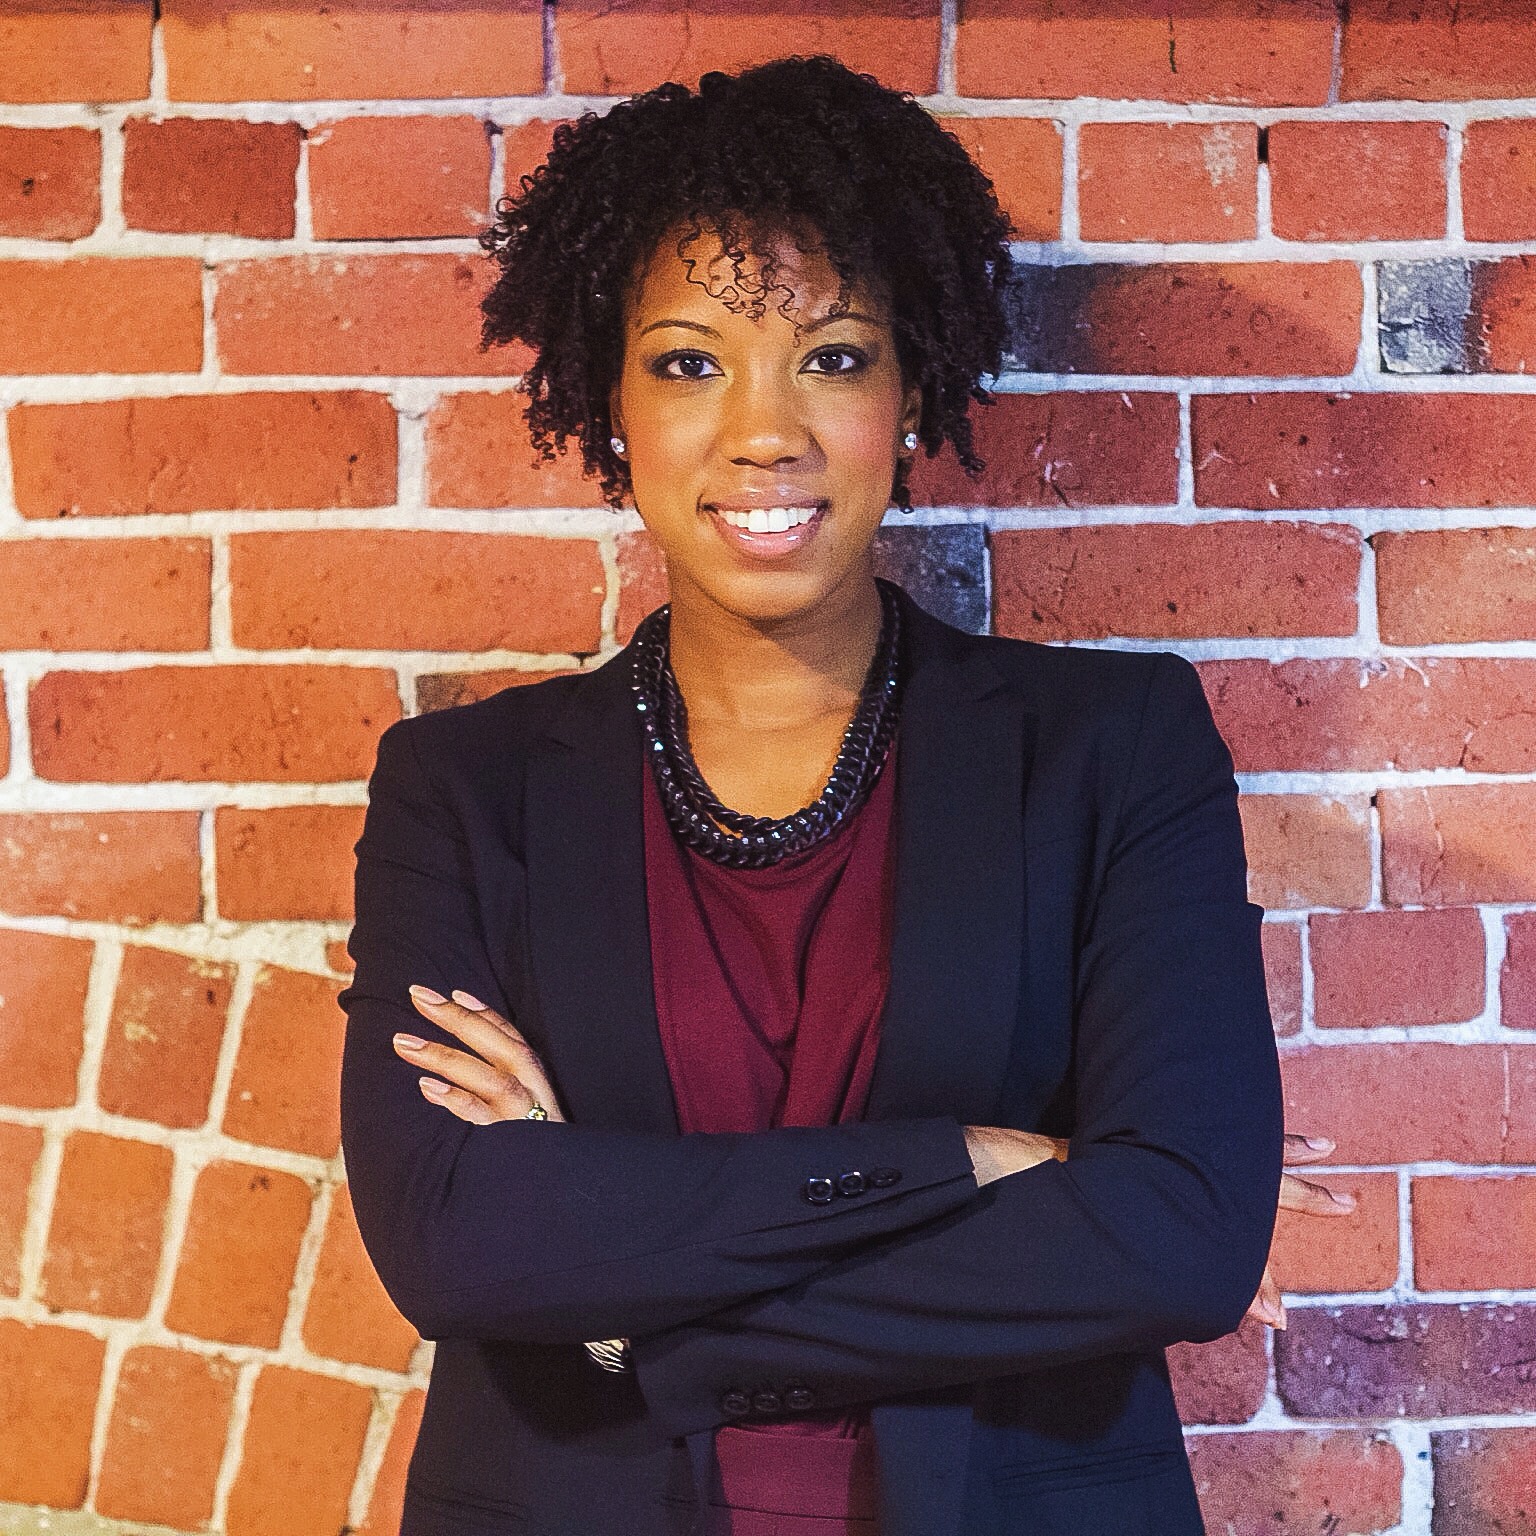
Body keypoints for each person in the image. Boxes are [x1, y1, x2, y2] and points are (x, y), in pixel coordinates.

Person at [338, 55, 1352, 1536]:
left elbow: (1178, 1241)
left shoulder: (1110, 749)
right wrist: (964, 1164)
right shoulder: (465, 791)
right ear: (611, 404)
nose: (766, 432)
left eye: (832, 356)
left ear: (910, 391)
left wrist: (629, 1320)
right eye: (689, 365)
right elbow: (457, 1245)